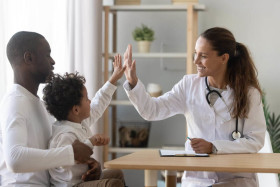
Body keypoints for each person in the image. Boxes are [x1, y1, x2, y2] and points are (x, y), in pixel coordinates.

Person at [123, 27, 266, 187]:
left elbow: (255, 140)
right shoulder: (188, 85)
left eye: (203, 56)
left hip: (235, 180)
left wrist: (214, 147)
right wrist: (133, 83)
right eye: (195, 53)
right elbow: (152, 111)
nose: (195, 61)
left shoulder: (249, 93)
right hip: (198, 180)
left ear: (224, 58)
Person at [0, 31, 95, 186]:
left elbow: (53, 153)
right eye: (47, 55)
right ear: (29, 58)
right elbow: (14, 159)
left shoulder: (37, 103)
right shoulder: (15, 102)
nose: (52, 61)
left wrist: (88, 165)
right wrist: (71, 153)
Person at [43, 55, 125, 187]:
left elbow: (99, 102)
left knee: (116, 173)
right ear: (76, 110)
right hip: (71, 185)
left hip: (83, 180)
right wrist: (91, 142)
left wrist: (114, 77)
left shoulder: (80, 122)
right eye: (87, 99)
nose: (90, 101)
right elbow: (62, 161)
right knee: (112, 184)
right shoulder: (64, 134)